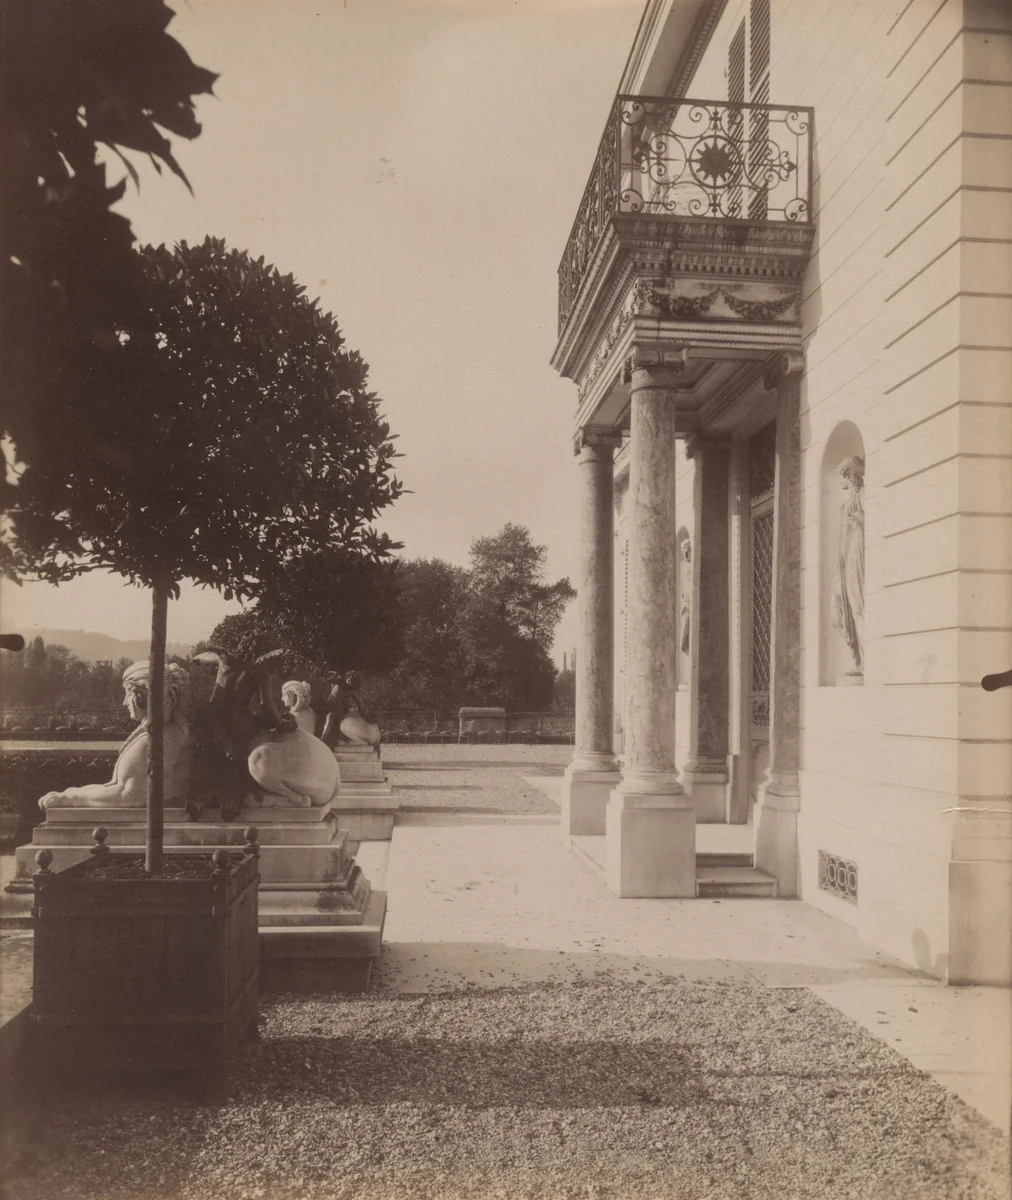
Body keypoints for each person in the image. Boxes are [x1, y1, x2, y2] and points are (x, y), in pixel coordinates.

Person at [39, 661, 193, 809]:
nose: (125, 702)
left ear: (147, 696)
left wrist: (69, 798)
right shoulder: (163, 733)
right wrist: (71, 792)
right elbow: (115, 786)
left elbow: (127, 796)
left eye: (129, 693)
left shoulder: (155, 741)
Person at [832, 455, 865, 676]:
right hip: (844, 555)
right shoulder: (850, 500)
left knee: (857, 603)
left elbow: (868, 519)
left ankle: (864, 661)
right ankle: (858, 657)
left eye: (841, 477)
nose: (839, 482)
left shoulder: (862, 496)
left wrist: (862, 518)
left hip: (855, 550)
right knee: (839, 607)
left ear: (848, 475)